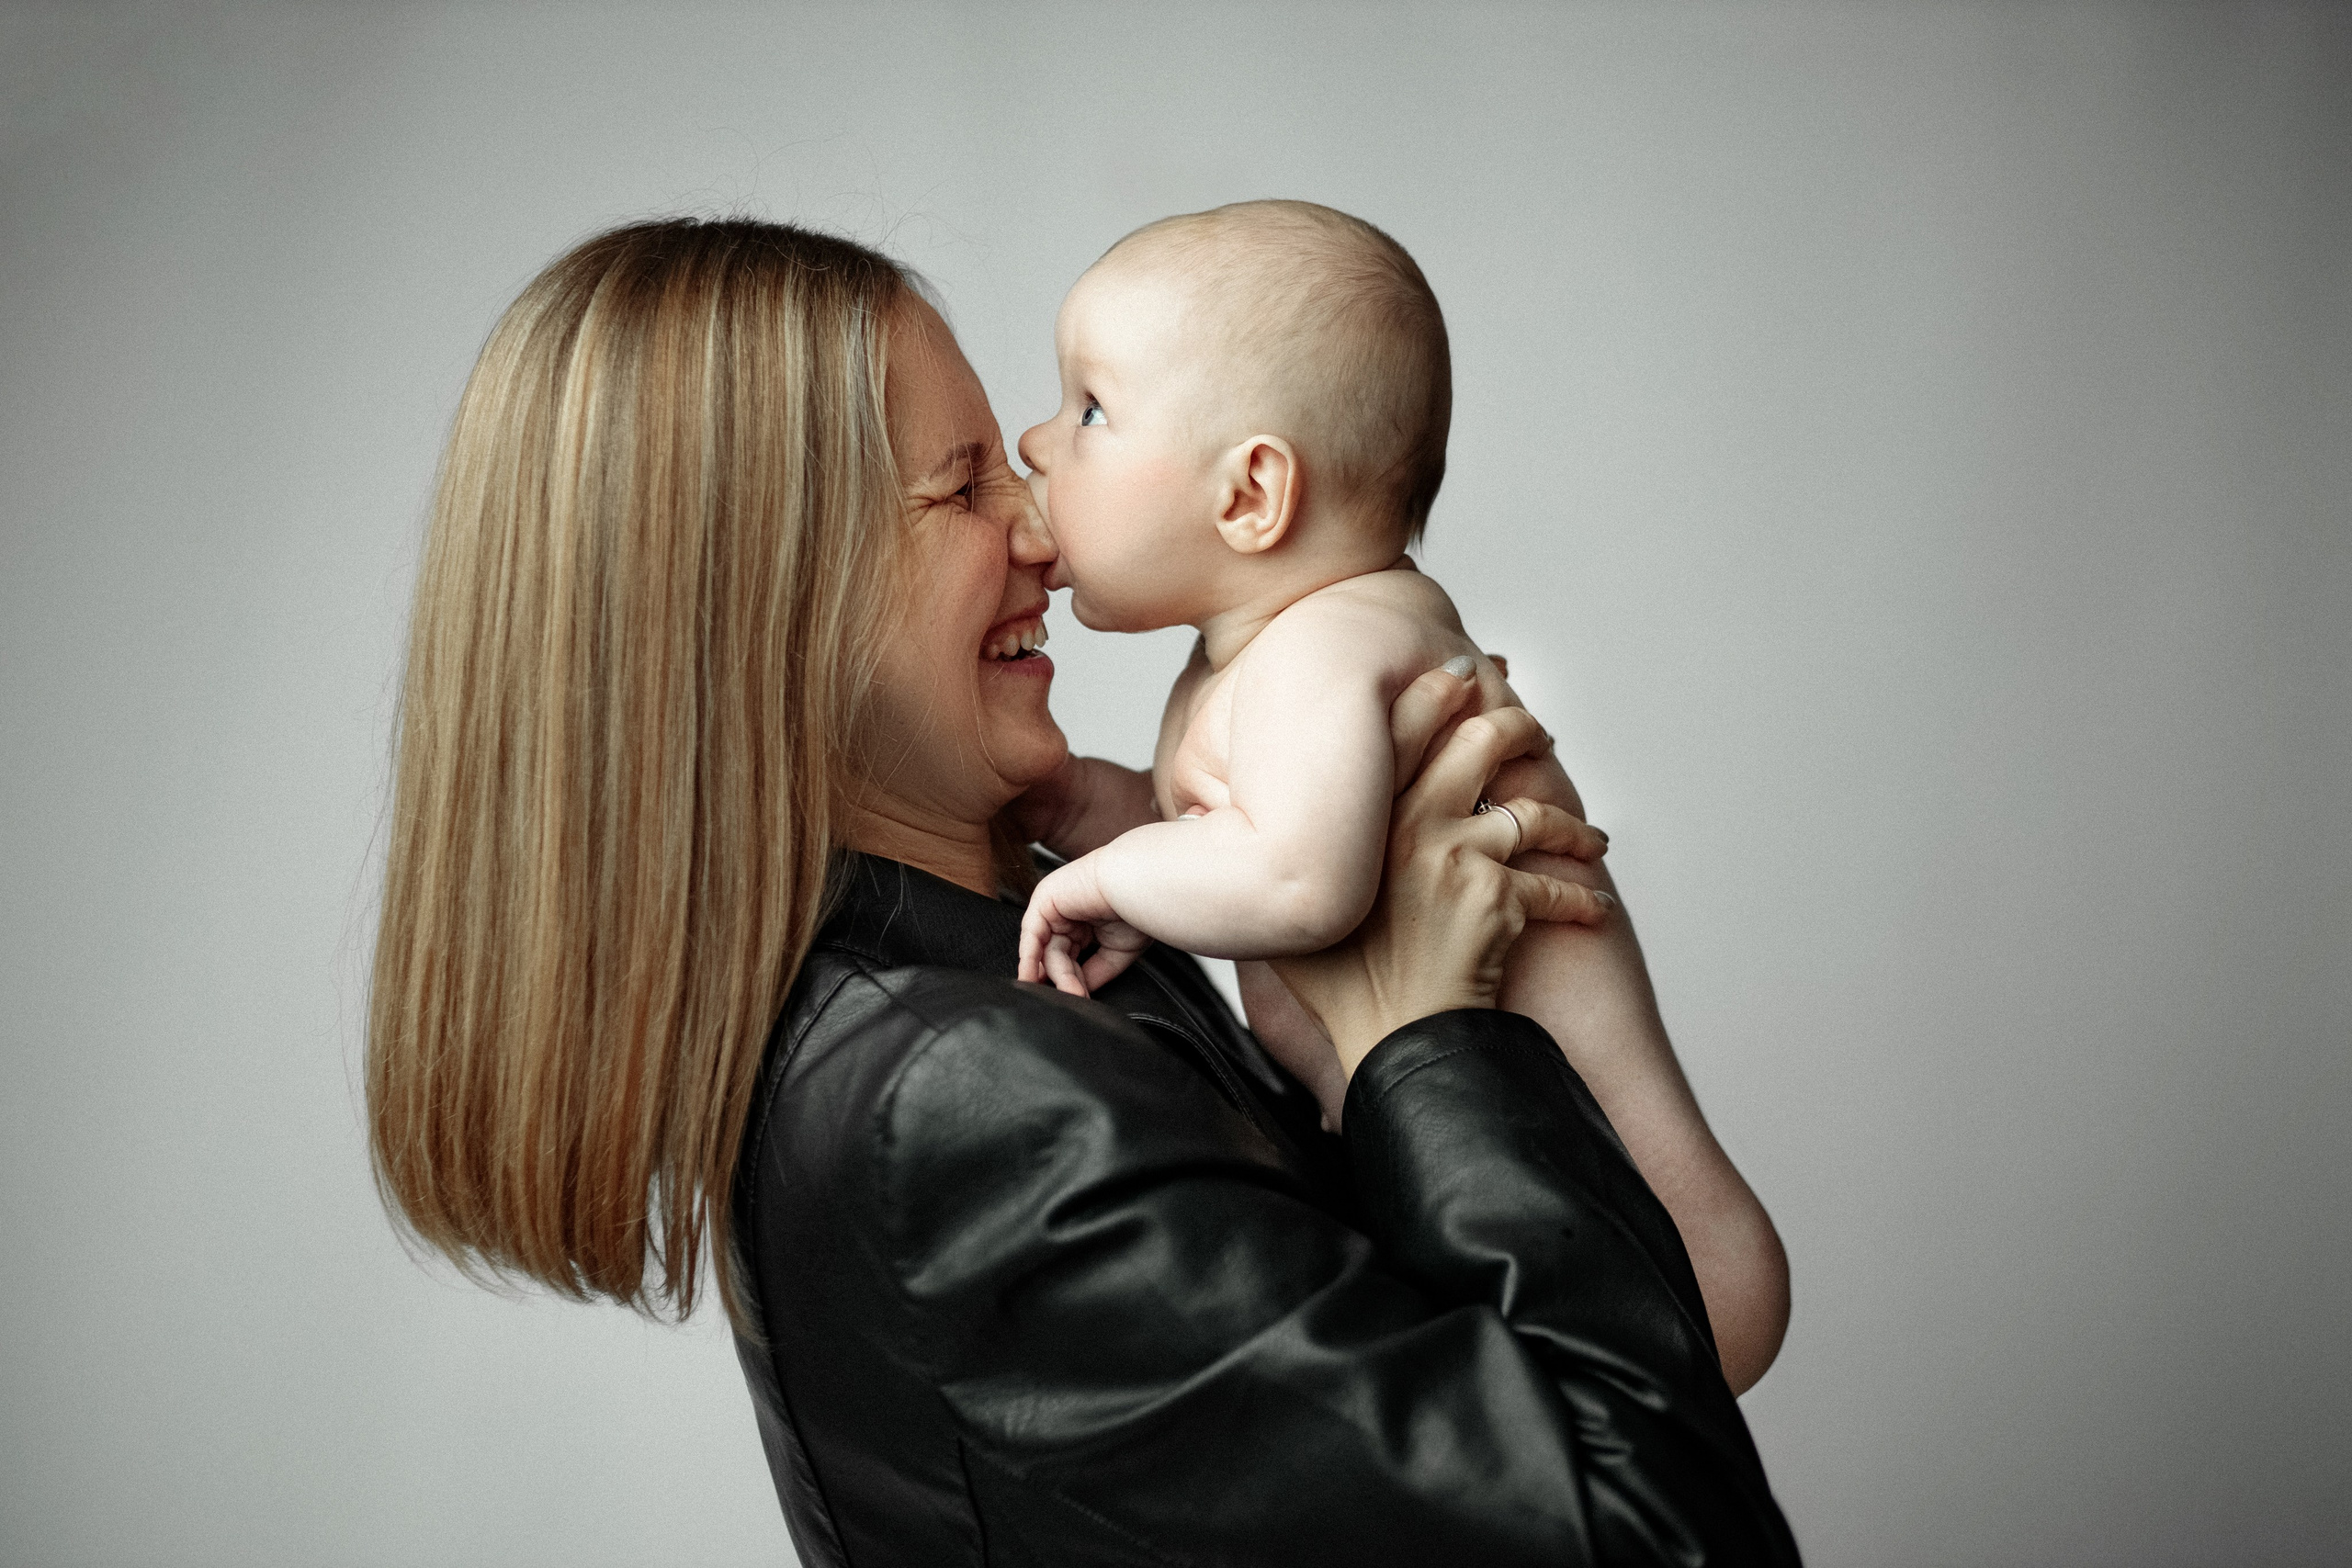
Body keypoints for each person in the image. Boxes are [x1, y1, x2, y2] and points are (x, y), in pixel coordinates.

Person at [367, 217, 1803, 1565]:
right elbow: (1665, 1539)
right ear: (763, 603)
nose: (1044, 532)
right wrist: (1420, 1033)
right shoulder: (971, 1105)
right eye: (962, 483)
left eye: (1030, 456)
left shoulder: (1019, 963)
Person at [1016, 199, 1789, 1393]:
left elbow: (1297, 881)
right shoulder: (1252, 652)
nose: (1035, 442)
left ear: (1251, 496)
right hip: (1458, 1184)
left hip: (1643, 1232)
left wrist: (1105, 875)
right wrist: (1079, 802)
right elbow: (1221, 843)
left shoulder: (1338, 642)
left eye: (1091, 409)